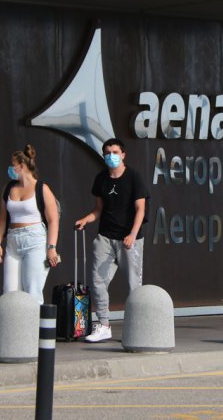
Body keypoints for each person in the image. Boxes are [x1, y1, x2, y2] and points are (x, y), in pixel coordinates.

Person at [75, 138, 149, 342]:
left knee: (134, 285)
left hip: (129, 239)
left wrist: (132, 235)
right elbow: (98, 209)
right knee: (98, 281)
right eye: (107, 152)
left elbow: (140, 209)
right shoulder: (101, 179)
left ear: (123, 154)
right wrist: (86, 219)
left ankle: (137, 326)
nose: (111, 156)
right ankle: (104, 325)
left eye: (115, 152)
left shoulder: (134, 177)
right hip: (106, 237)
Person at [0, 144, 60, 305]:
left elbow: (53, 220)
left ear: (21, 166)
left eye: (13, 165)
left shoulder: (42, 188)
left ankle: (33, 329)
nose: (10, 168)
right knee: (9, 291)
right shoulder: (9, 188)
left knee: (32, 290)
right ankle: (12, 329)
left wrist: (51, 248)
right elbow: (2, 218)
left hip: (35, 239)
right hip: (12, 240)